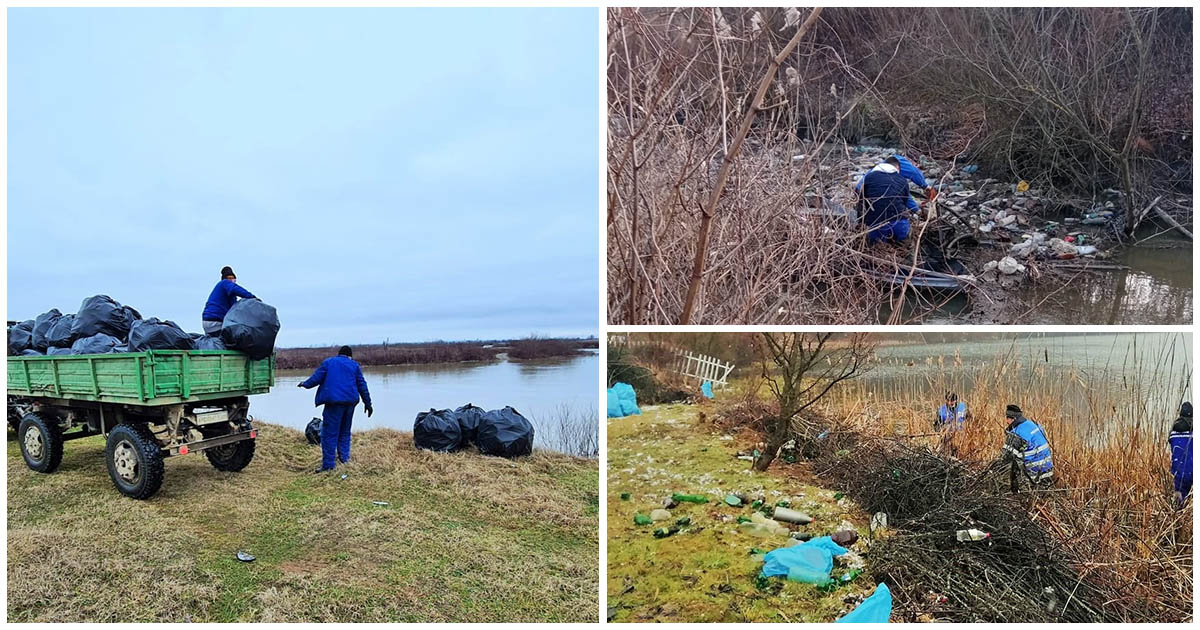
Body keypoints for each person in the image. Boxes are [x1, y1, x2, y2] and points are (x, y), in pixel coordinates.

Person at [298, 345, 373, 472]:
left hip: (334, 403)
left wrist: (304, 384)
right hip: (350, 404)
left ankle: (328, 466)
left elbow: (315, 379)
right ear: (350, 356)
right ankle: (344, 460)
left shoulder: (329, 362)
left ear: (339, 354)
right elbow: (362, 385)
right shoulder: (354, 365)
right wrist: (368, 403)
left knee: (329, 434)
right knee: (345, 432)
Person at [855, 155, 932, 244]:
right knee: (905, 245)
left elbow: (862, 203)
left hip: (876, 224)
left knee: (876, 246)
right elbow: (906, 200)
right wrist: (918, 211)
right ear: (897, 167)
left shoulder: (868, 178)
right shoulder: (902, 180)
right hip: (899, 223)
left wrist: (861, 223)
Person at [1001, 404, 1053, 492]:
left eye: (1007, 418)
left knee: (1010, 468)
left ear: (1013, 419)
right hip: (1048, 470)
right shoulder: (1032, 424)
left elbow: (1005, 459)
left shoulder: (1017, 433)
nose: (1006, 421)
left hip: (1033, 475)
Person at [202, 266, 256, 335]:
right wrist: (252, 297)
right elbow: (237, 289)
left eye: (233, 279)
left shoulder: (228, 294)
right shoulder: (225, 283)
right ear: (224, 279)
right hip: (215, 321)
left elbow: (235, 309)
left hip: (209, 321)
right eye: (229, 278)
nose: (231, 281)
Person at [1169, 402, 1192, 507]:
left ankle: (1179, 511)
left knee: (1179, 501)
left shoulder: (1173, 433)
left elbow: (1174, 450)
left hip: (1178, 472)